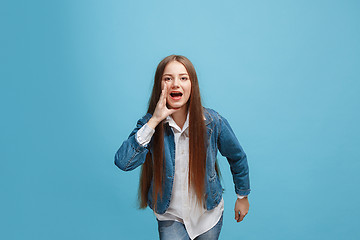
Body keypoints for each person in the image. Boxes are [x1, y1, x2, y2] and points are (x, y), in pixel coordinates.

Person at [114, 55, 251, 240]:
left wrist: (242, 196)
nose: (175, 84)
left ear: (192, 85)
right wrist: (154, 121)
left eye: (183, 78)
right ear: (159, 85)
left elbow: (237, 156)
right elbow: (123, 162)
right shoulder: (150, 124)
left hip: (208, 215)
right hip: (170, 216)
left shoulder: (213, 122)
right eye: (168, 78)